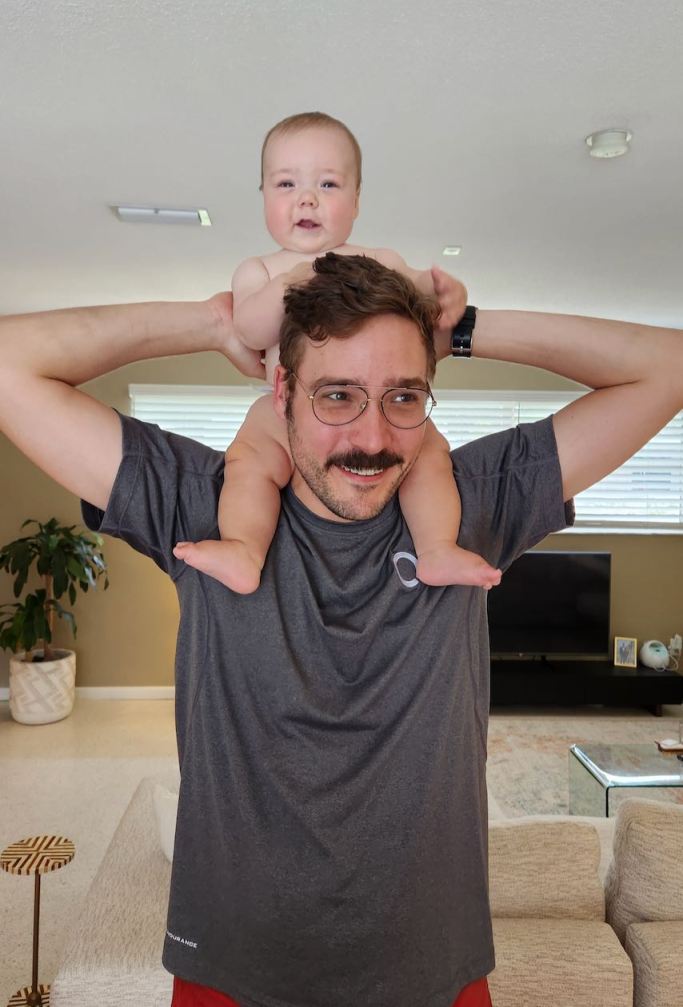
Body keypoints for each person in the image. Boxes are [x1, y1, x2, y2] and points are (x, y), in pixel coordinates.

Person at [1, 253, 681, 1007]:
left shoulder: (468, 508)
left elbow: (667, 365)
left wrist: (459, 330)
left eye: (403, 396)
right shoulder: (201, 506)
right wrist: (215, 323)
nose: (372, 437)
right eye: (336, 396)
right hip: (234, 968)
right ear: (282, 393)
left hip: (431, 969)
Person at [173, 112, 502, 594]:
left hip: (368, 405)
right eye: (286, 184)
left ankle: (436, 549)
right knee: (248, 464)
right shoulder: (260, 271)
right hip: (281, 413)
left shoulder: (379, 261)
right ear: (263, 195)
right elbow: (248, 329)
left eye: (327, 184)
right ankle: (244, 548)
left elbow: (421, 295)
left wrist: (445, 294)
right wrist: (292, 282)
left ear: (357, 199)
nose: (306, 199)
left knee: (430, 454)